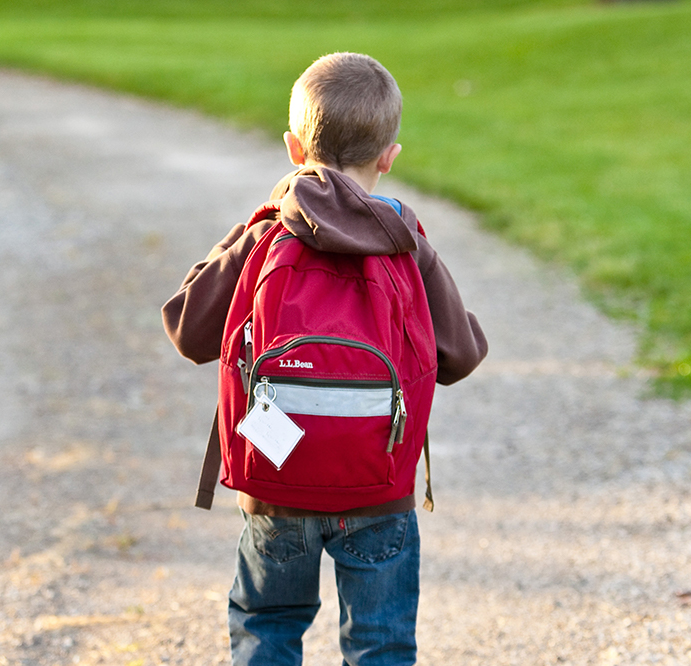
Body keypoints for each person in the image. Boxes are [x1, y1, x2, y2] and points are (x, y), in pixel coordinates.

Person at [162, 52, 487, 666]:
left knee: (268, 627)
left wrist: (245, 234)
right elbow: (460, 356)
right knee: (380, 642)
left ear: (292, 148)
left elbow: (187, 329)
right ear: (389, 157)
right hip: (378, 485)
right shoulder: (406, 243)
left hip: (278, 477)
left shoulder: (267, 234)